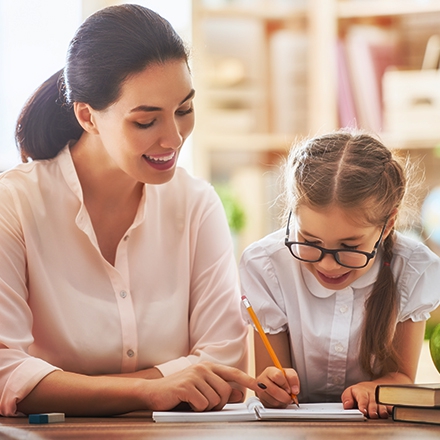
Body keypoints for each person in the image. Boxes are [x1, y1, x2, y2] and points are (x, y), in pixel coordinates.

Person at [0, 4, 259, 417]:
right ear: (87, 116)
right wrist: (150, 389)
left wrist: (58, 384)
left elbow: (224, 369)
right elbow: (5, 373)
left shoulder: (195, 204)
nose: (174, 138)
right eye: (146, 121)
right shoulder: (13, 205)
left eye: (184, 110)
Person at [239, 130, 440, 419]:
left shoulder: (413, 269)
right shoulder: (266, 265)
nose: (328, 265)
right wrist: (272, 387)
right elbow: (271, 390)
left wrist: (379, 388)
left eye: (349, 246)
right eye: (310, 241)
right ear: (293, 217)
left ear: (387, 226)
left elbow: (402, 379)